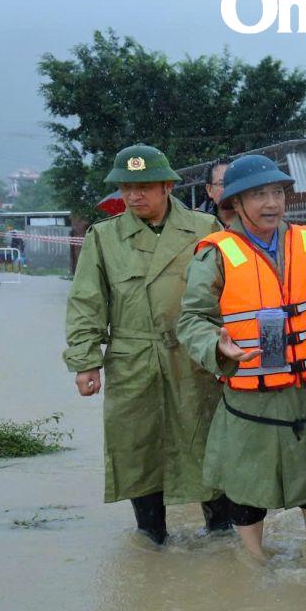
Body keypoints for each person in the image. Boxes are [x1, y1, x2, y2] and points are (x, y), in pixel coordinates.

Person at [177, 154, 306, 561]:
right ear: (236, 204)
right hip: (250, 390)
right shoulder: (216, 253)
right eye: (258, 194)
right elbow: (191, 319)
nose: (271, 203)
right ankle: (255, 558)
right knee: (248, 481)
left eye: (277, 192)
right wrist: (215, 345)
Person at [64, 144, 234, 544]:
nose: (133, 196)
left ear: (167, 186)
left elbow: (229, 296)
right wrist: (85, 362)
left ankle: (222, 542)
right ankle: (151, 540)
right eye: (126, 188)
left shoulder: (205, 230)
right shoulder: (104, 238)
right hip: (132, 359)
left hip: (195, 357)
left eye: (143, 187)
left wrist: (230, 356)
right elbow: (87, 303)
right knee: (138, 448)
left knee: (206, 442)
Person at [203, 160, 235, 227]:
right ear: (209, 189)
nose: (229, 188)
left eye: (233, 182)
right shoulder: (203, 226)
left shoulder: (255, 219)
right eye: (222, 184)